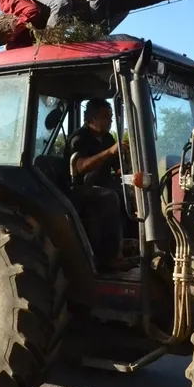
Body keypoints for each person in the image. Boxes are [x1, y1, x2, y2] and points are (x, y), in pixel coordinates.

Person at [68, 98, 131, 271]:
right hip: (80, 187)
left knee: (128, 193)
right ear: (93, 119)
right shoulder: (79, 138)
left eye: (111, 116)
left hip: (103, 184)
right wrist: (109, 151)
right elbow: (80, 167)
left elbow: (117, 167)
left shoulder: (107, 138)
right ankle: (110, 258)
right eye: (106, 117)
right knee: (109, 197)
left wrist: (127, 169)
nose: (110, 120)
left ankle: (124, 243)